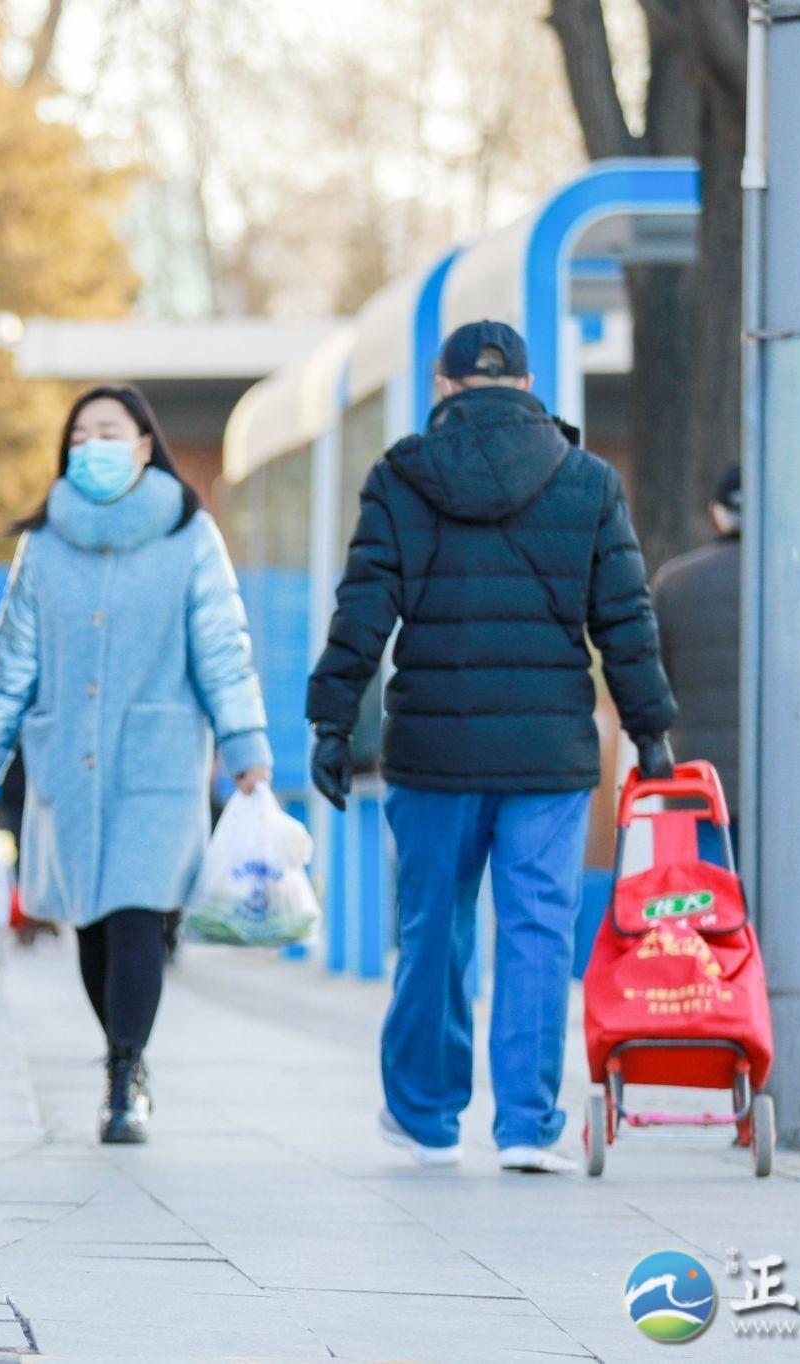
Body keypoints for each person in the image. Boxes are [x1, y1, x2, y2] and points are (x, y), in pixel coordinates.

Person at [305, 320, 676, 1174]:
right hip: (548, 754)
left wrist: (331, 723)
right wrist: (651, 728)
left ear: (443, 387)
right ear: (530, 384)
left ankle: (428, 1119)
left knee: (433, 927)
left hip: (432, 748)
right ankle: (524, 1124)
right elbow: (626, 619)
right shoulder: (587, 481)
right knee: (539, 930)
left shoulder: (402, 477)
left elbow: (363, 609)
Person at [0, 384, 271, 1145]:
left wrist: (246, 750)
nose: (94, 445)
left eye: (110, 432)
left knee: (136, 913)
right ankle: (119, 1053)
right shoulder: (45, 543)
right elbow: (14, 662)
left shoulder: (189, 535)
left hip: (158, 760)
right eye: (81, 434)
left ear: (142, 445)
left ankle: (125, 1073)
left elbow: (222, 650)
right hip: (68, 761)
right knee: (91, 924)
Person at [652, 466, 741, 801]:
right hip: (771, 779)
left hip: (694, 778)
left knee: (694, 857)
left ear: (715, 513)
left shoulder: (674, 582)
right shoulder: (790, 584)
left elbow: (654, 680)